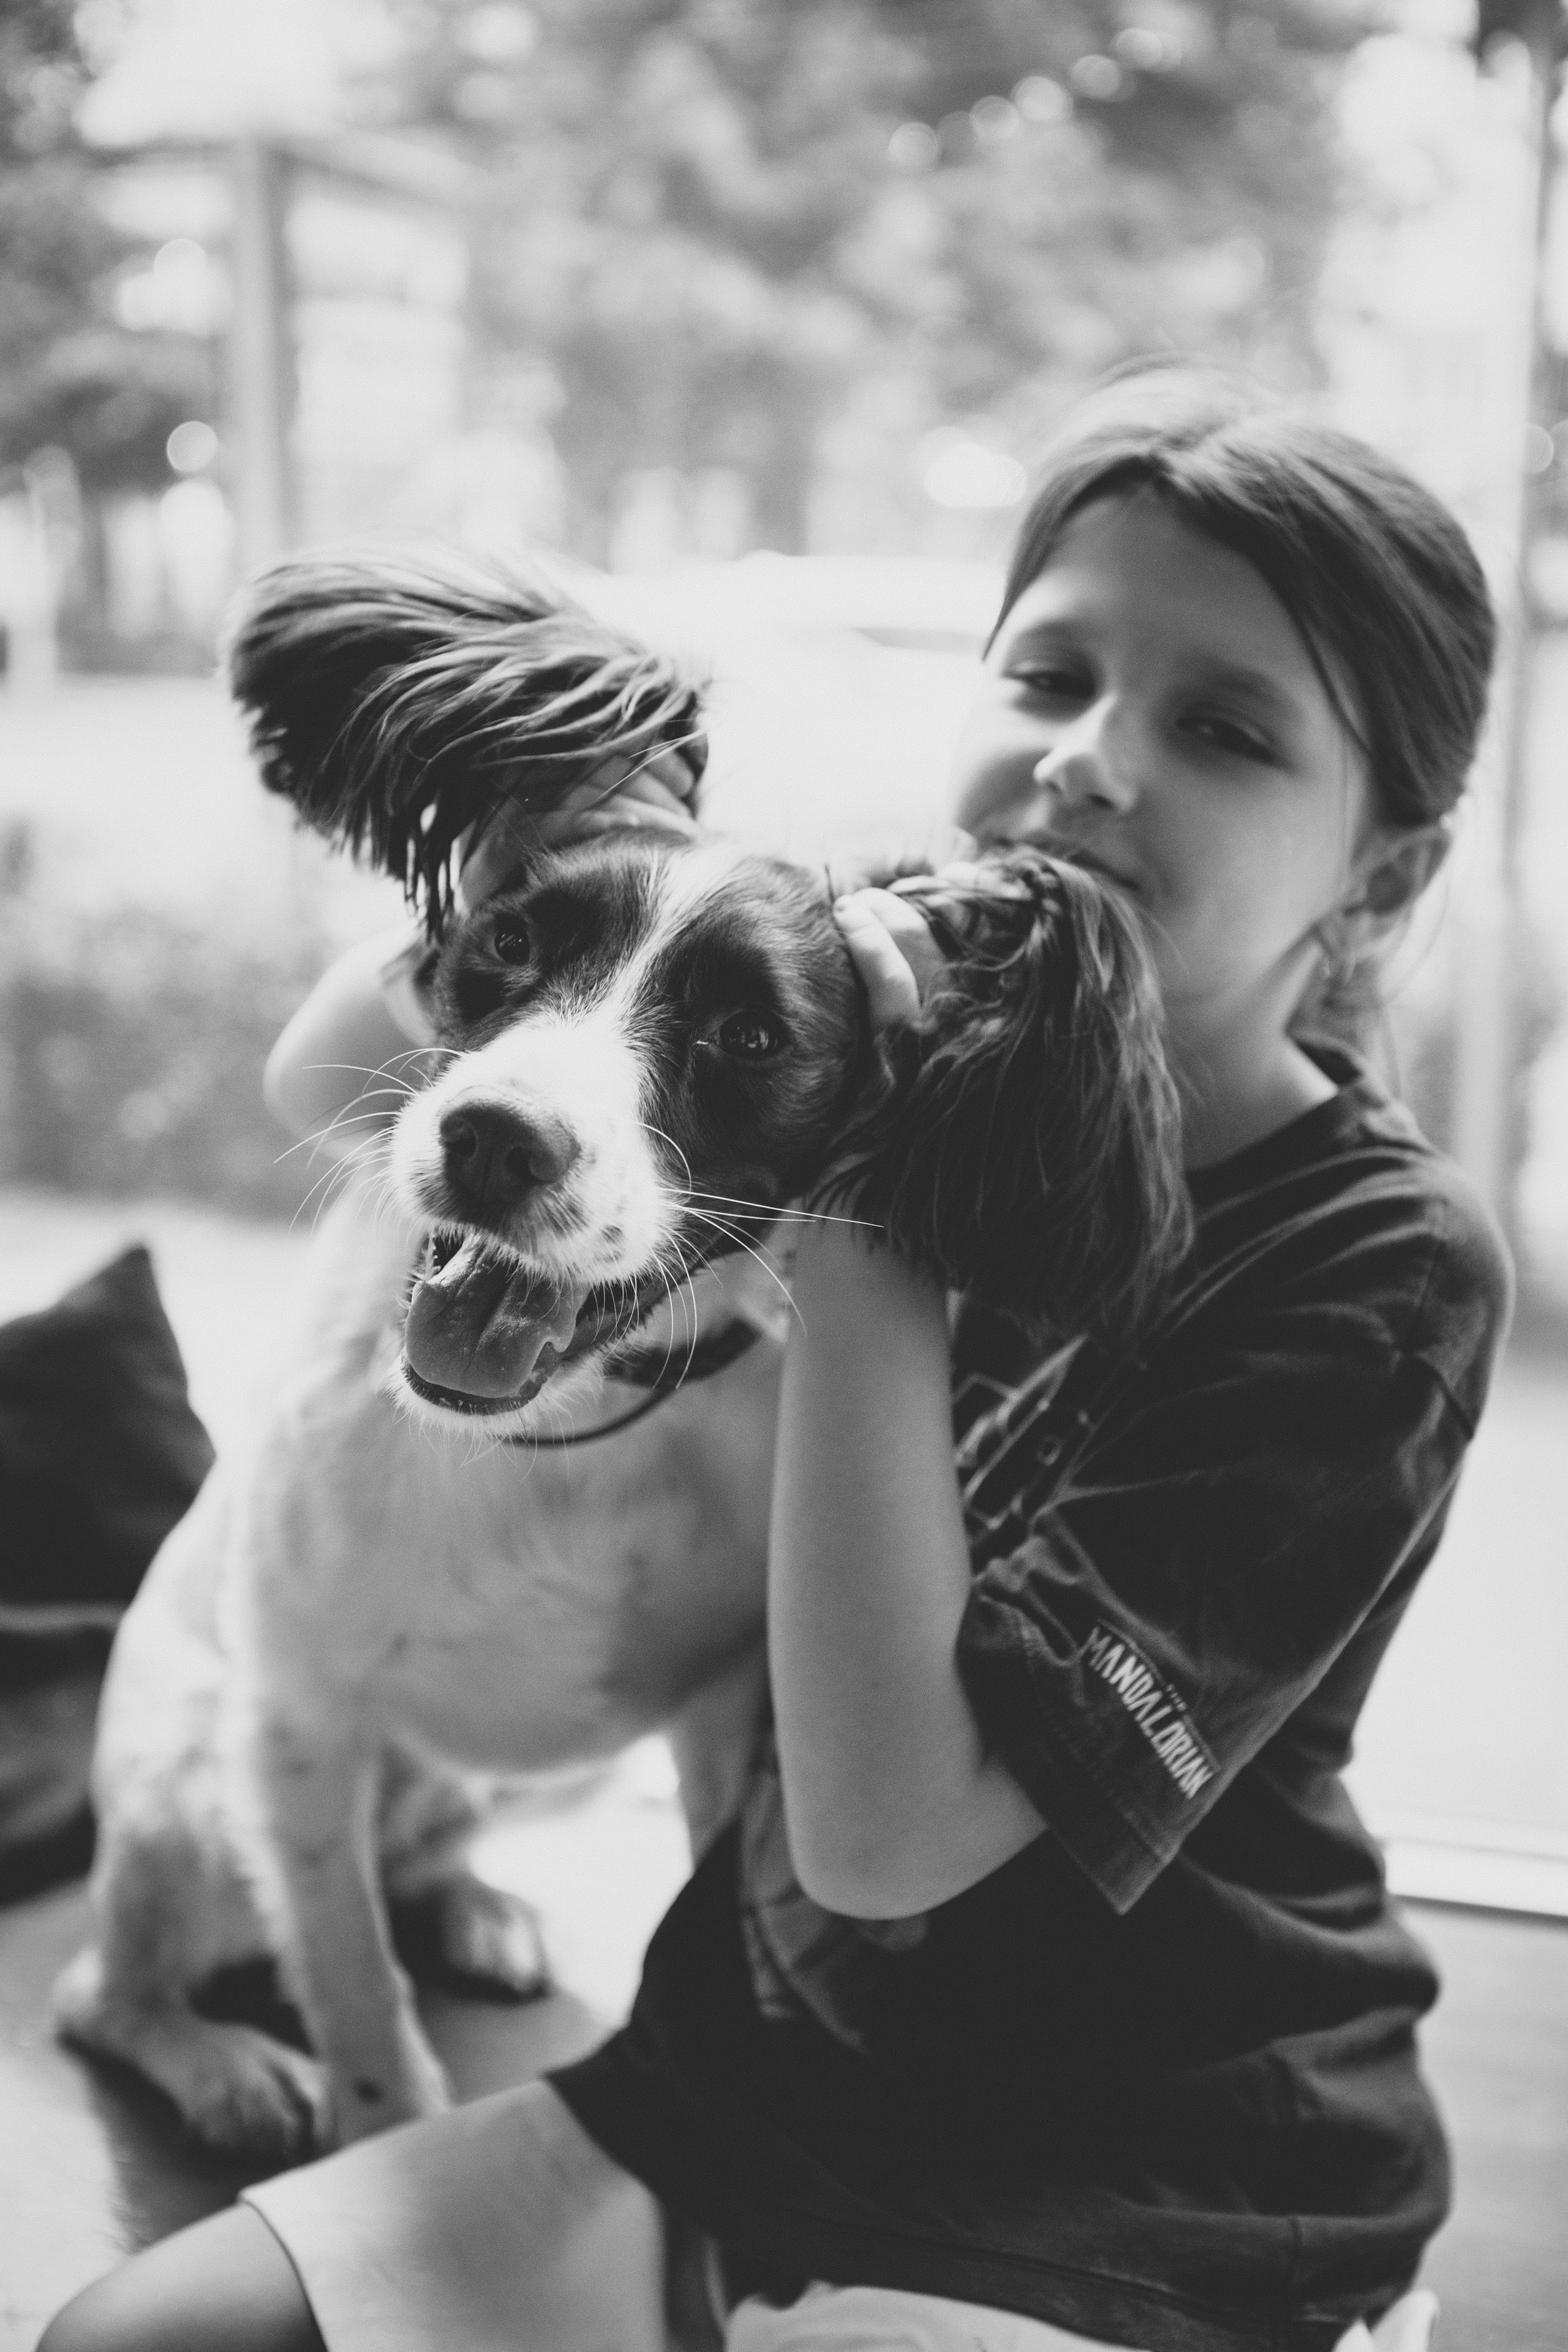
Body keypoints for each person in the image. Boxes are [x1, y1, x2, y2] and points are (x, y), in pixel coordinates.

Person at [41, 371, 1509, 2352]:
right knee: (126, 2341)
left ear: (1389, 876)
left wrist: (876, 1198)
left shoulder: (1375, 1263)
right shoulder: (832, 993)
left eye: (1225, 727)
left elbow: (889, 1842)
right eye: (1051, 671)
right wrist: (563, 844)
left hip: (1151, 2142)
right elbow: (330, 1083)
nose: (1092, 762)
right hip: (750, 2075)